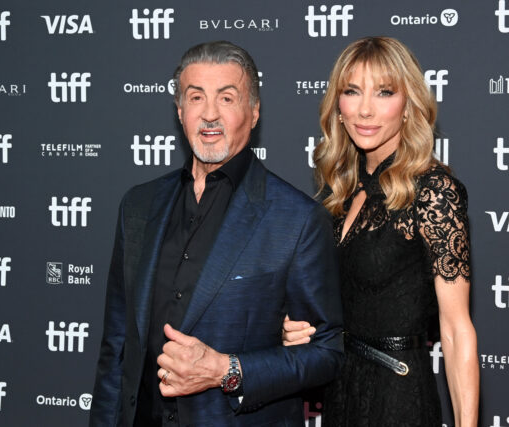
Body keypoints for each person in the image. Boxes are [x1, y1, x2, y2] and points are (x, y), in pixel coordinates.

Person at [90, 40, 344, 427]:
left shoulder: (297, 219)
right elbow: (117, 347)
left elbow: (326, 355)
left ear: (254, 111)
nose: (209, 114)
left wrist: (226, 370)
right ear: (179, 110)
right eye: (196, 97)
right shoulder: (138, 207)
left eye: (227, 98)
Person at [283, 36, 479, 426]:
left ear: (408, 105)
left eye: (385, 92)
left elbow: (457, 329)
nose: (366, 109)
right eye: (352, 91)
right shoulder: (340, 196)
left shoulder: (433, 190)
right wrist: (298, 330)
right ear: (337, 107)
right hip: (341, 391)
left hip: (398, 395)